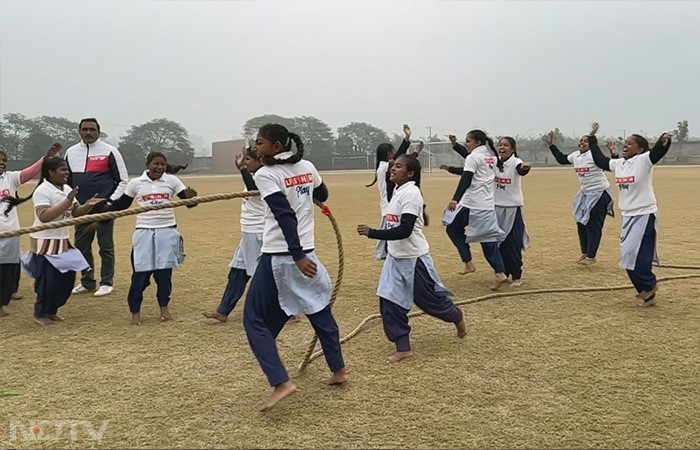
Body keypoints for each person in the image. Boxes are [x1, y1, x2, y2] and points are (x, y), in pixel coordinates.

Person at [243, 123, 347, 411]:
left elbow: (284, 215)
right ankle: (339, 370)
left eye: (261, 143)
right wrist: (302, 191)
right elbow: (321, 194)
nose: (255, 147)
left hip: (281, 255)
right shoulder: (307, 166)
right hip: (305, 254)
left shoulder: (266, 174)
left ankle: (281, 382)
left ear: (277, 147)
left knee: (253, 320)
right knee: (318, 310)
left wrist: (297, 255)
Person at [357, 153, 467, 363]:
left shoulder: (412, 194)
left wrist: (373, 233)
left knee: (430, 302)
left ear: (410, 174)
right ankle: (403, 347)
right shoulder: (397, 190)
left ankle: (456, 316)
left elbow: (405, 230)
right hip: (395, 259)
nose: (393, 169)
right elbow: (385, 178)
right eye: (393, 166)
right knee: (389, 301)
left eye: (399, 167)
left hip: (414, 258)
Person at [203, 147, 302, 323]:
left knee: (265, 275)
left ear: (260, 161)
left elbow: (252, 186)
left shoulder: (263, 177)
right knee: (237, 272)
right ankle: (223, 310)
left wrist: (241, 169)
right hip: (248, 233)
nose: (244, 162)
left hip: (259, 232)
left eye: (248, 160)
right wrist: (243, 169)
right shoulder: (254, 175)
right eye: (245, 160)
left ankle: (287, 312)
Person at [106, 152, 197, 324]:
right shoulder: (136, 183)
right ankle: (135, 313)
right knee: (140, 276)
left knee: (164, 276)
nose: (160, 167)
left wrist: (192, 199)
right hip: (144, 232)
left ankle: (164, 309)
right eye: (156, 164)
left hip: (167, 231)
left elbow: (188, 201)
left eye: (163, 164)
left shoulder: (172, 181)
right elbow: (123, 204)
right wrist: (104, 212)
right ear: (148, 164)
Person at [589, 130, 673, 307]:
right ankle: (647, 293)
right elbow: (600, 160)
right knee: (627, 258)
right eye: (625, 142)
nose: (625, 145)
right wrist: (592, 140)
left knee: (637, 257)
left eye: (630, 143)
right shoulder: (619, 164)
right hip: (627, 216)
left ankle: (649, 285)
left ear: (640, 149)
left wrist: (663, 142)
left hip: (644, 214)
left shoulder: (644, 160)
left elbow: (657, 153)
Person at [20, 157, 104, 324]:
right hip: (45, 242)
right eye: (63, 169)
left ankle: (52, 310)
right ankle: (41, 313)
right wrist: (67, 201)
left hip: (62, 241)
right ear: (51, 172)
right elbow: (44, 217)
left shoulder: (66, 188)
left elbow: (76, 213)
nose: (66, 173)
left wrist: (88, 205)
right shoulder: (43, 190)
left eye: (67, 169)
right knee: (47, 281)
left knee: (66, 280)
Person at [65, 118, 129, 297]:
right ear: (79, 132)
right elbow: (66, 181)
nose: (88, 133)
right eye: (84, 129)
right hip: (81, 209)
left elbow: (123, 180)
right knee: (81, 246)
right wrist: (74, 203)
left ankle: (106, 282)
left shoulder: (110, 151)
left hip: (104, 209)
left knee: (105, 246)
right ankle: (87, 281)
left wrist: (110, 203)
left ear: (98, 132)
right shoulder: (70, 152)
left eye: (92, 129)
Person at [0, 144, 61, 316]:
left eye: (4, 161)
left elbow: (31, 171)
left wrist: (46, 158)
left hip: (10, 230)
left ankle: (4, 299)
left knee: (7, 268)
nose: (2, 163)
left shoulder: (11, 178)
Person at [445, 130, 509, 290]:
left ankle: (468, 262)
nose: (466, 143)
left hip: (473, 205)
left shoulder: (474, 157)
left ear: (477, 143)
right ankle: (500, 273)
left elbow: (466, 178)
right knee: (488, 241)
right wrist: (455, 147)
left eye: (468, 141)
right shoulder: (491, 157)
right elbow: (469, 163)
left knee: (452, 228)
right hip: (487, 206)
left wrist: (455, 199)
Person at [545, 122, 614, 265]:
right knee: (581, 222)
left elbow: (608, 164)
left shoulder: (594, 155)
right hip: (585, 194)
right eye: (581, 140)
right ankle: (585, 252)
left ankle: (591, 256)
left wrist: (593, 135)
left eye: (586, 141)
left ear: (591, 145)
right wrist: (552, 145)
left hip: (599, 194)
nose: (582, 143)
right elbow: (562, 159)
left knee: (593, 224)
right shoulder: (575, 156)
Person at [365, 124, 412, 260]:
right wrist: (407, 138)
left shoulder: (381, 167)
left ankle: (382, 254)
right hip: (389, 203)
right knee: (388, 232)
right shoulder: (386, 167)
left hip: (387, 203)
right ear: (388, 154)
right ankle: (383, 254)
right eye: (393, 152)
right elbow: (399, 157)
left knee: (386, 230)